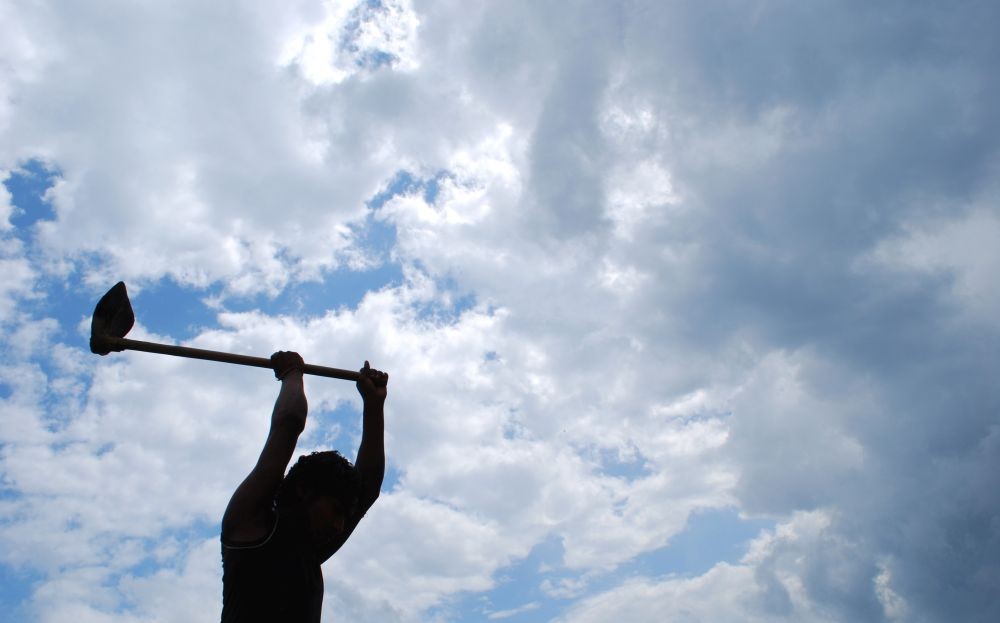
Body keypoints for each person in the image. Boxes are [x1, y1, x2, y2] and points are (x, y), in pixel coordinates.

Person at [220, 351, 387, 623]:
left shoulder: (309, 551)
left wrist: (374, 405)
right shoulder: (249, 524)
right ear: (303, 490)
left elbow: (367, 488)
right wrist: (291, 375)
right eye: (335, 509)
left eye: (343, 515)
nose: (339, 526)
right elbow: (287, 425)